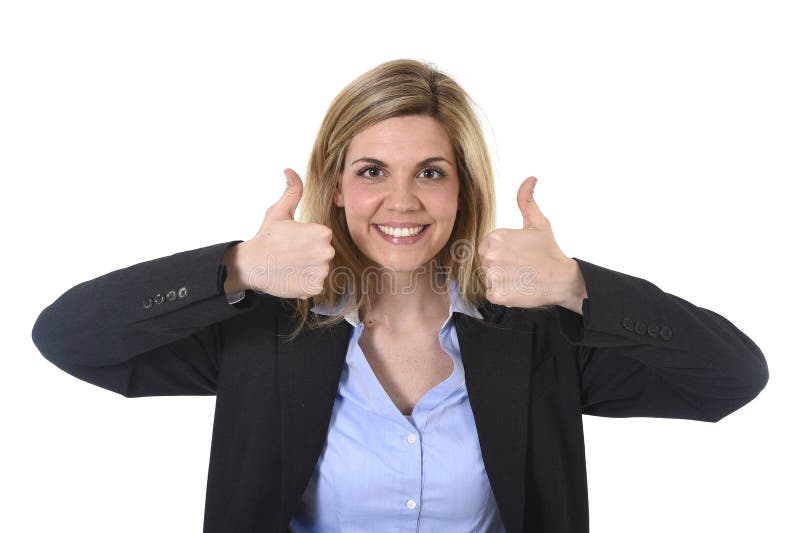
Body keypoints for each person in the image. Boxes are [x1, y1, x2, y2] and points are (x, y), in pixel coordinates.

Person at [31, 58, 769, 533]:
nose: (402, 202)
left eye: (432, 172)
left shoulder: (535, 336)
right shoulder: (263, 331)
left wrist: (577, 287)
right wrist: (236, 268)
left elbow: (730, 378)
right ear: (338, 185)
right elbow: (69, 337)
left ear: (464, 187)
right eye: (374, 171)